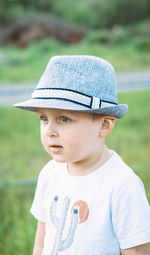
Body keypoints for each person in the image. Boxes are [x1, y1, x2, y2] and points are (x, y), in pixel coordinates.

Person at [14, 55, 150, 255]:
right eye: (43, 118)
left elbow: (137, 250)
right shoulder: (50, 174)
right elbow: (41, 242)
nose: (49, 130)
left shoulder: (122, 185)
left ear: (104, 125)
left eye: (63, 118)